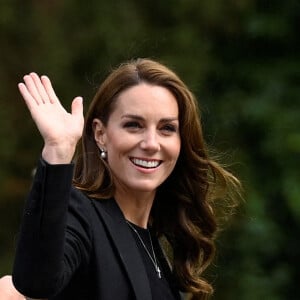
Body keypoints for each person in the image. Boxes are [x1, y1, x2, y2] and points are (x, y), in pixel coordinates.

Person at [12, 58, 240, 300]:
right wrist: (58, 150)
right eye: (134, 125)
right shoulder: (80, 213)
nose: (151, 144)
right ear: (101, 134)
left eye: (167, 128)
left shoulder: (158, 244)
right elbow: (37, 281)